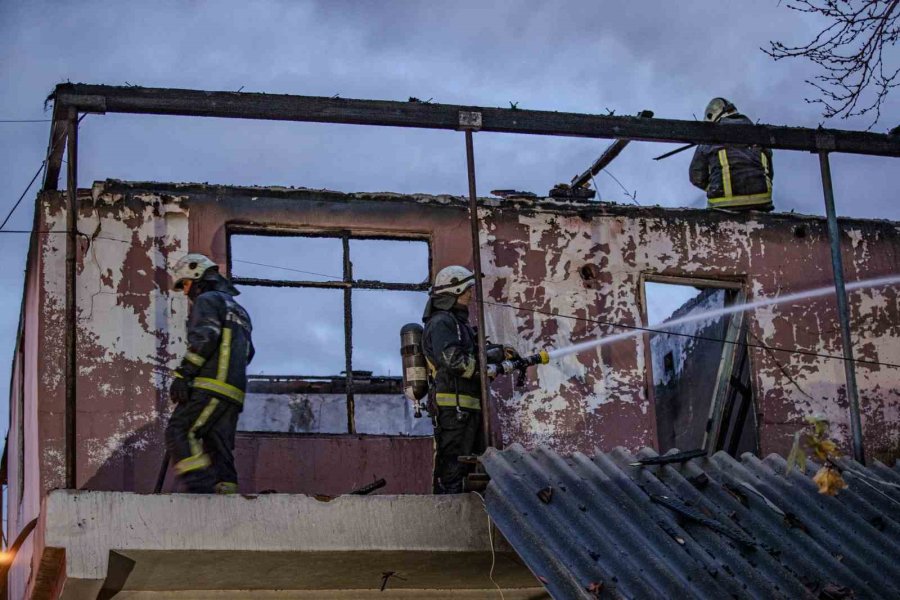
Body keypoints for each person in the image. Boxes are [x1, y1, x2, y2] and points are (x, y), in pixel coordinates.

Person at [421, 265, 517, 494]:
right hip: (453, 409)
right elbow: (454, 360)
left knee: (470, 465)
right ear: (455, 290)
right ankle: (448, 512)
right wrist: (486, 369)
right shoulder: (442, 322)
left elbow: (471, 351)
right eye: (467, 289)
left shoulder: (457, 324)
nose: (471, 294)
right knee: (453, 465)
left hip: (466, 407)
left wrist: (497, 352)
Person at [166, 253, 254, 494]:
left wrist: (183, 375)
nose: (185, 292)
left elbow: (205, 336)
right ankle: (225, 493)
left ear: (196, 275)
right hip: (233, 395)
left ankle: (200, 489)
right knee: (218, 448)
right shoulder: (241, 311)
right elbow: (249, 352)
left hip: (210, 386)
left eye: (185, 284)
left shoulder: (208, 300)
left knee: (180, 430)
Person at [689, 97, 774, 212]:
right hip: (762, 202)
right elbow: (769, 172)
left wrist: (716, 186)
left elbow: (696, 177)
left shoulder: (710, 136)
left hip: (724, 204)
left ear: (711, 116)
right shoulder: (759, 134)